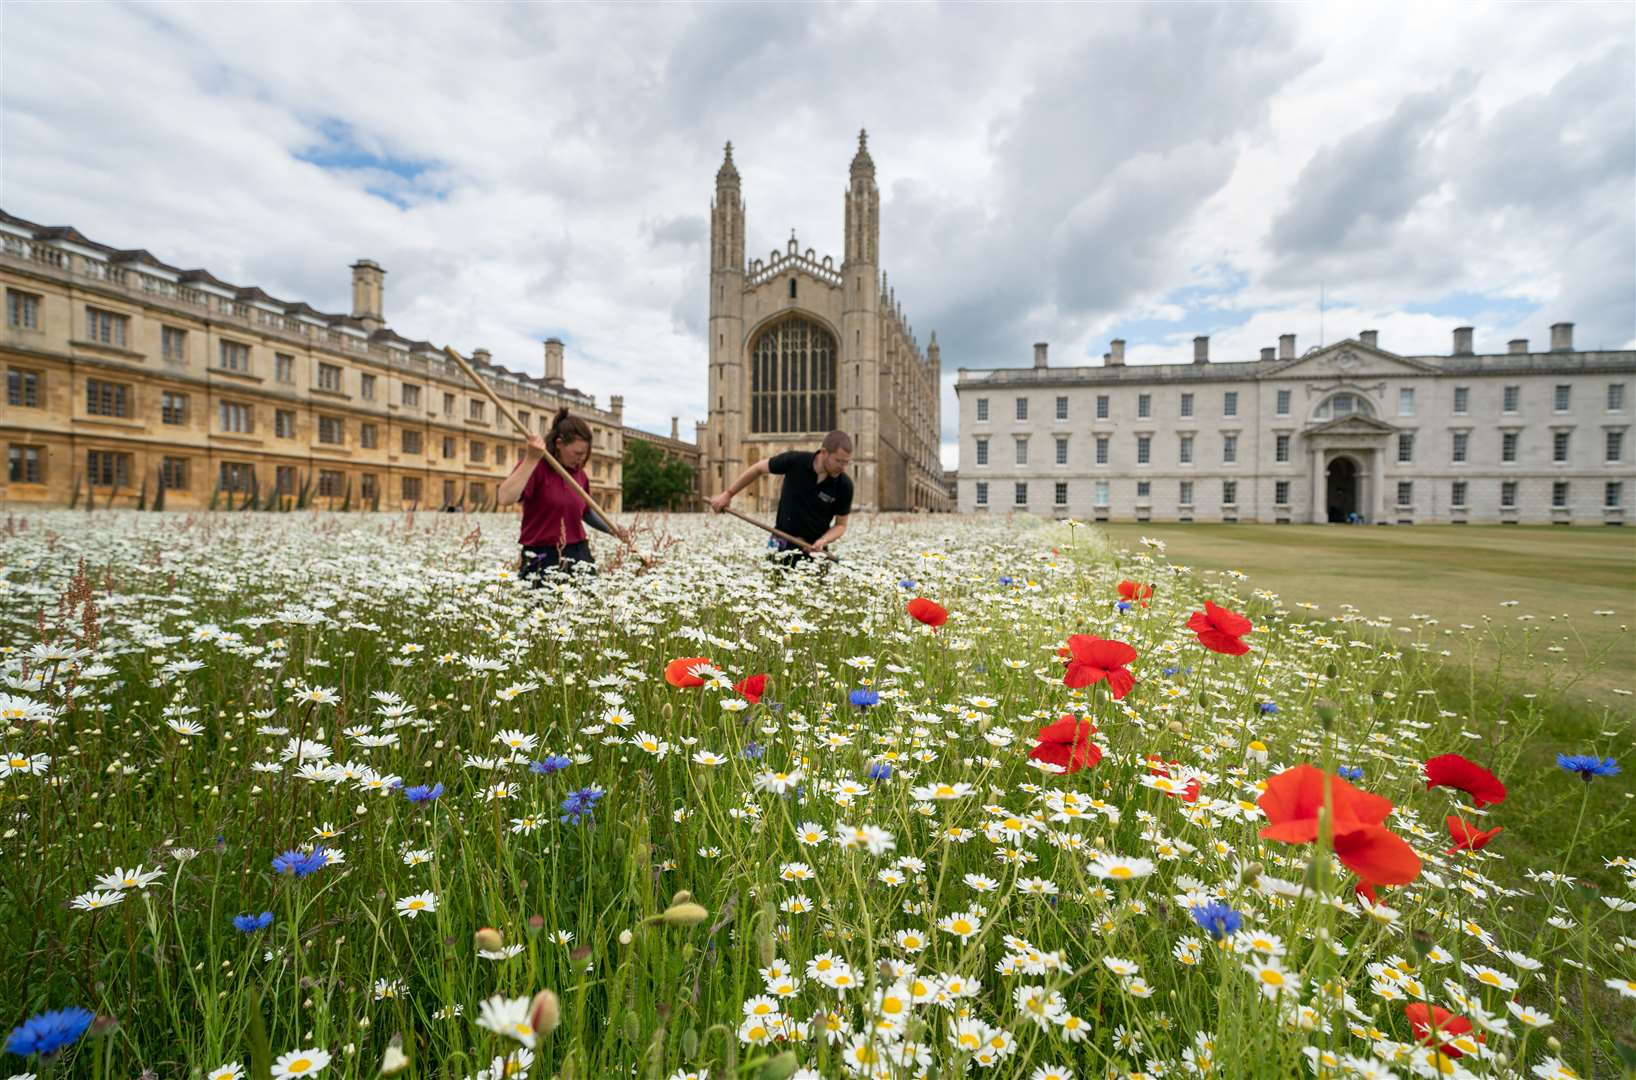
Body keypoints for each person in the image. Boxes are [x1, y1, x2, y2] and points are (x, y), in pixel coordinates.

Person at [497, 407, 626, 581]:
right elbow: (505, 498)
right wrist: (531, 458)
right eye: (578, 453)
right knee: (545, 604)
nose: (581, 459)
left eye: (585, 454)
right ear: (559, 444)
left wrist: (613, 529)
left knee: (587, 601)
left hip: (578, 551)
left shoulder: (579, 475)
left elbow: (586, 511)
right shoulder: (537, 466)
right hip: (541, 553)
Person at [709, 430, 853, 564]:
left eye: (846, 462)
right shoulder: (795, 461)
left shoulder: (845, 485)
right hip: (780, 543)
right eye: (839, 461)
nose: (843, 467)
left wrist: (823, 540)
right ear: (824, 452)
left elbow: (841, 525)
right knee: (770, 586)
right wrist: (728, 494)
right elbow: (758, 468)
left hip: (815, 552)